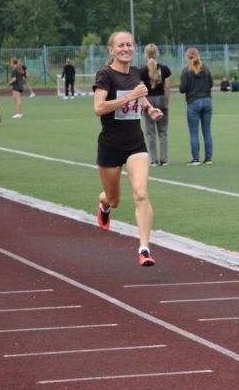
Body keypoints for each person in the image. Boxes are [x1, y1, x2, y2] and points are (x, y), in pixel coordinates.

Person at [92, 30, 164, 267]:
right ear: (111, 50)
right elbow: (99, 107)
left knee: (141, 194)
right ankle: (104, 205)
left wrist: (149, 108)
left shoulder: (135, 73)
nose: (126, 48)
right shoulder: (105, 75)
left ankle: (144, 248)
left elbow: (140, 98)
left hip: (135, 144)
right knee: (114, 200)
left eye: (129, 45)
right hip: (110, 146)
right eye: (120, 45)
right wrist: (129, 96)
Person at [179, 47, 214, 165]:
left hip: (193, 102)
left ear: (187, 58)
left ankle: (196, 158)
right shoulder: (206, 69)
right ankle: (208, 158)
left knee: (194, 132)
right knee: (207, 130)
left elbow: (182, 89)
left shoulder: (186, 71)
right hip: (207, 100)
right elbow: (211, 84)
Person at [139, 43, 171, 167]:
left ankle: (153, 160)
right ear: (157, 53)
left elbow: (140, 88)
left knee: (150, 132)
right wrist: (166, 101)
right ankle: (164, 159)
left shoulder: (142, 70)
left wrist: (143, 104)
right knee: (163, 131)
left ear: (145, 54)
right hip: (161, 99)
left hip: (148, 100)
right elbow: (167, 86)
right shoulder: (164, 69)